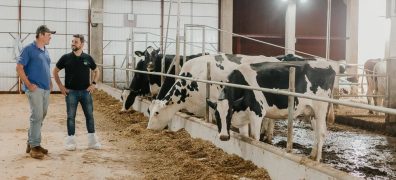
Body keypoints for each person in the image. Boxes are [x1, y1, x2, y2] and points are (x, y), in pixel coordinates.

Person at [53, 34, 101, 151]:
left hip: (85, 92)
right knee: (71, 117)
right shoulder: (66, 58)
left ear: (82, 44)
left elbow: (96, 70)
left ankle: (92, 142)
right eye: (72, 41)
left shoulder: (87, 58)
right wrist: (60, 86)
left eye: (76, 42)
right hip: (71, 93)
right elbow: (55, 71)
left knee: (89, 116)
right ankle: (70, 142)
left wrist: (93, 84)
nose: (73, 44)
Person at [16, 25, 55, 159]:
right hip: (35, 88)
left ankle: (31, 142)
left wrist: (49, 81)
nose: (51, 37)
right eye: (49, 35)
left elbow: (46, 67)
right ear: (42, 34)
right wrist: (28, 84)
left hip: (45, 88)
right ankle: (34, 147)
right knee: (37, 115)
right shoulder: (28, 49)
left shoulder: (45, 50)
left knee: (41, 115)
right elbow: (19, 68)